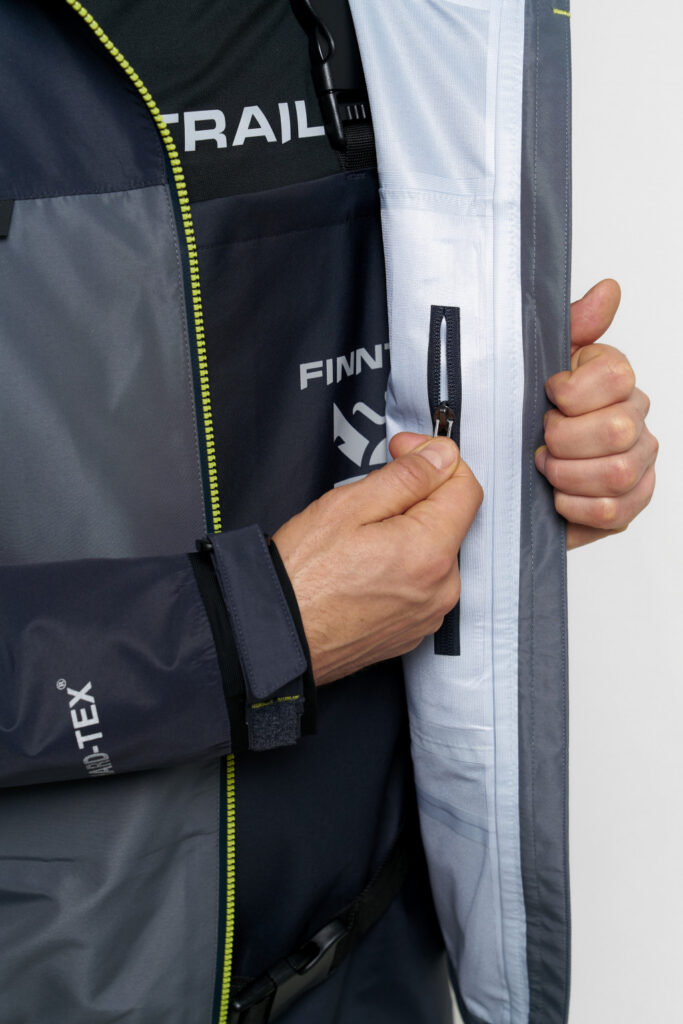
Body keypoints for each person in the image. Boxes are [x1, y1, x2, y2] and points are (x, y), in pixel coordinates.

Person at [0, 2, 657, 1023]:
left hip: (381, 963)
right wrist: (245, 631)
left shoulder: (415, 19)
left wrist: (524, 462)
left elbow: (338, 397)